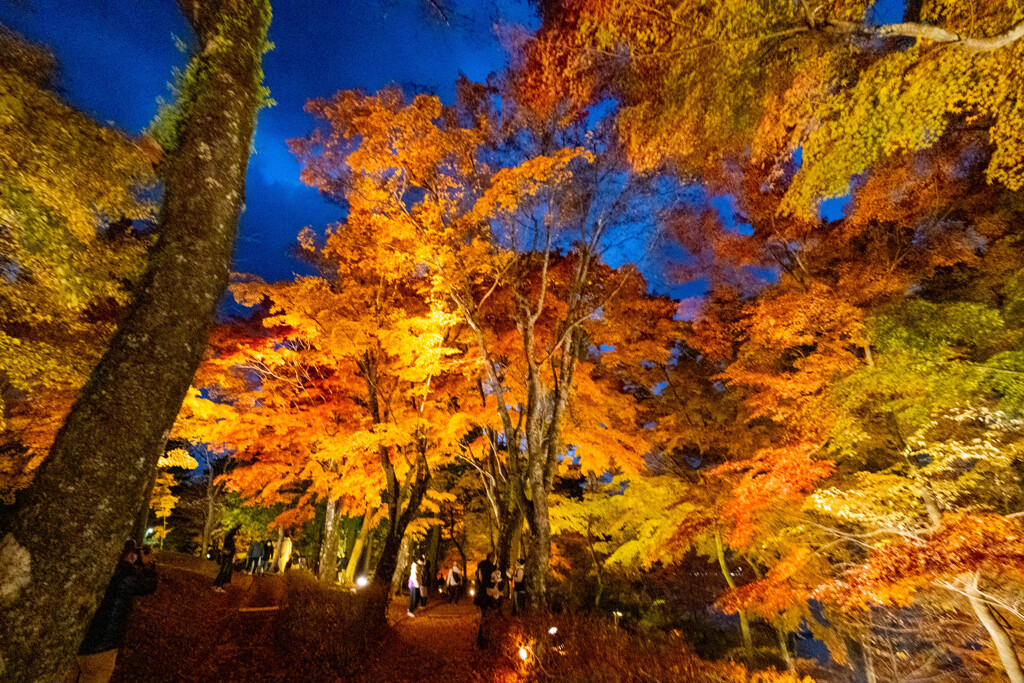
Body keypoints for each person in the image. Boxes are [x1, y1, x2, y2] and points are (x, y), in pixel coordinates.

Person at [64, 542, 157, 683]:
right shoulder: (124, 576)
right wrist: (149, 565)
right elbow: (149, 585)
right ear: (131, 556)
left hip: (79, 642)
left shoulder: (98, 569)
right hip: (102, 647)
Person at [213, 524, 241, 592]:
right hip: (227, 558)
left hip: (228, 557)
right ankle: (218, 586)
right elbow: (230, 549)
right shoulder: (229, 538)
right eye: (236, 535)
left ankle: (218, 585)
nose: (237, 537)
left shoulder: (229, 537)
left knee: (224, 572)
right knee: (224, 572)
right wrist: (232, 555)